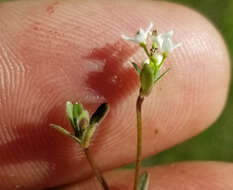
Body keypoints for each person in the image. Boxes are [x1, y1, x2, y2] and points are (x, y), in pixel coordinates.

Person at [0, 0, 231, 189]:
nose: (147, 41)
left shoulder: (155, 58)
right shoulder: (150, 59)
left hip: (146, 77)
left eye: (148, 41)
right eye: (147, 42)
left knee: (139, 103)